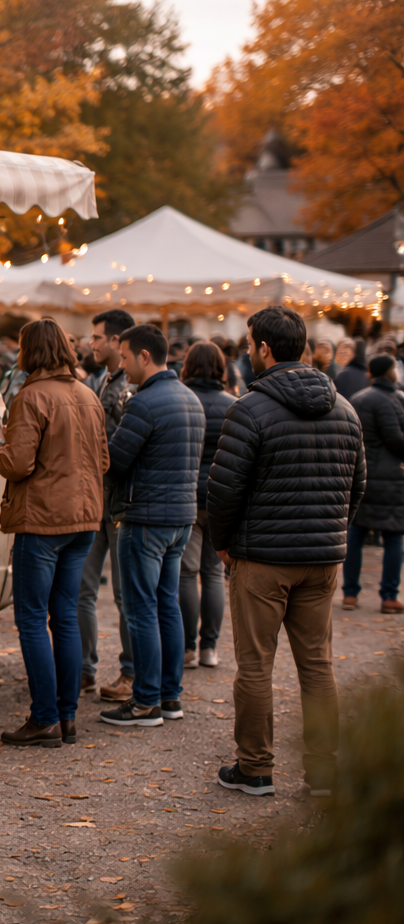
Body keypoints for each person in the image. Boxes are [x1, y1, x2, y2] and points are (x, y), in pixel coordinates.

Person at [206, 305, 365, 798]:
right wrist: (331, 532)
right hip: (321, 558)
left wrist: (223, 544)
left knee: (255, 666)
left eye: (250, 344)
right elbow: (357, 486)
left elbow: (224, 489)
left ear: (265, 349)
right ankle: (323, 769)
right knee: (318, 665)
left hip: (262, 559)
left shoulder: (248, 409)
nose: (247, 351)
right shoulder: (345, 409)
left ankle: (255, 767)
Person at [0, 318, 109, 748]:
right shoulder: (88, 395)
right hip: (83, 520)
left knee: (32, 619)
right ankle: (68, 717)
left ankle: (44, 718)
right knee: (66, 616)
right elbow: (104, 462)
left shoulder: (31, 397)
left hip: (42, 521)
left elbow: (18, 464)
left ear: (30, 351)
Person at [100, 323, 205, 728]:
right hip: (180, 518)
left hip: (145, 519)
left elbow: (116, 461)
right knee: (167, 607)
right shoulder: (189, 398)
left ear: (145, 356)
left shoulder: (144, 403)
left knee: (141, 609)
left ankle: (144, 702)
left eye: (125, 357)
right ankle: (169, 697)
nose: (122, 365)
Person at [78, 309, 135, 701]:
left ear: (117, 342)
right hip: (96, 501)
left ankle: (131, 673)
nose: (92, 343)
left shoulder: (130, 387)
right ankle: (83, 668)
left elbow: (121, 450)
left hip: (119, 505)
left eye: (98, 337)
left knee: (123, 593)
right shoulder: (103, 380)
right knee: (83, 587)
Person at [179, 342, 235, 668]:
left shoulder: (182, 401)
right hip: (219, 497)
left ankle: (187, 648)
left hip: (186, 495)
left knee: (186, 574)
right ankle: (208, 648)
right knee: (213, 572)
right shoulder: (233, 405)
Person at [341, 354, 404, 613]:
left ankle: (350, 593)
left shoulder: (358, 399)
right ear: (390, 372)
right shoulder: (396, 400)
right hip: (391, 479)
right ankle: (389, 595)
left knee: (356, 534)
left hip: (362, 475)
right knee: (393, 537)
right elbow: (396, 439)